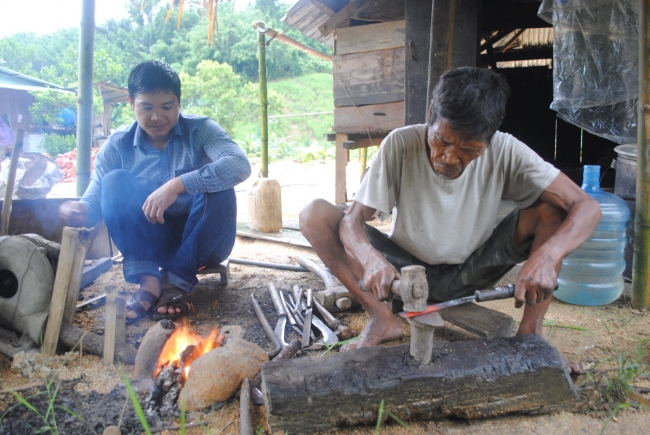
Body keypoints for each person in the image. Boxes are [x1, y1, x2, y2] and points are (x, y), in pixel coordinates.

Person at [299, 67, 601, 367]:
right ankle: (382, 318)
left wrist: (548, 257)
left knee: (552, 208)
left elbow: (586, 206)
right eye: (442, 141)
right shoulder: (401, 143)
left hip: (472, 271)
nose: (450, 158)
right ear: (430, 114)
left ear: (489, 139)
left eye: (469, 149)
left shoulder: (507, 149)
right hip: (405, 274)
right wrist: (371, 260)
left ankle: (531, 335)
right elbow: (351, 221)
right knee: (314, 214)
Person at [59, 61, 251, 323]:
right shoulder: (117, 145)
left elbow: (239, 165)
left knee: (217, 186)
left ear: (179, 102)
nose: (157, 117)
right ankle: (149, 282)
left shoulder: (201, 130)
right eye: (147, 107)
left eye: (167, 107)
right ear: (131, 103)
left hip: (207, 244)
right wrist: (78, 210)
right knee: (114, 182)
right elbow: (93, 203)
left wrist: (177, 185)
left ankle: (178, 281)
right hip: (153, 246)